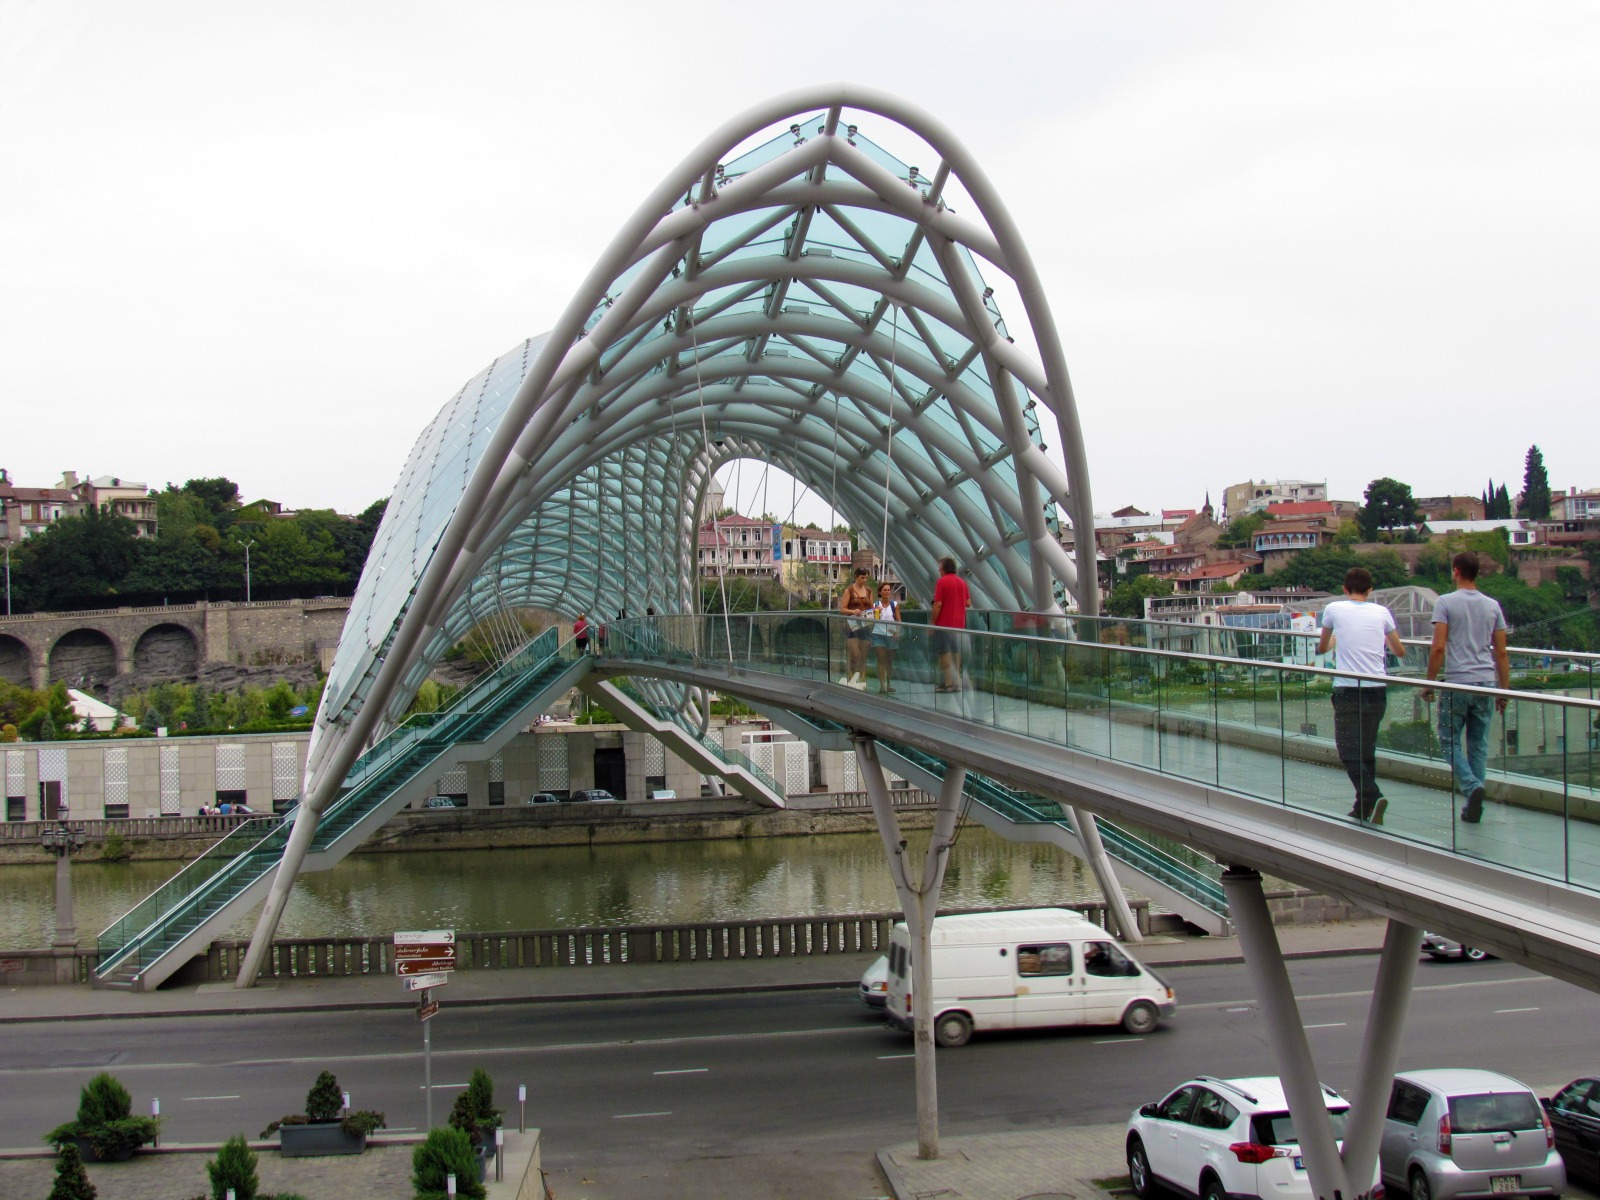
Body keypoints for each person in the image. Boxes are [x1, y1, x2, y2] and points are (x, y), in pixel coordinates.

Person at [1423, 551, 1510, 824]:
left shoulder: (1445, 603)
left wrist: (1428, 682)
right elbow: (1502, 653)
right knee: (1478, 744)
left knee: (1448, 739)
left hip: (1458, 681)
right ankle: (1475, 807)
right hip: (1485, 682)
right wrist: (1503, 690)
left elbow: (1438, 647)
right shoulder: (1493, 606)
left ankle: (1472, 788)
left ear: (1456, 571)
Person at [1317, 567, 1406, 824]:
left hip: (1347, 689)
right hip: (1377, 689)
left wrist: (1335, 641)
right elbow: (1399, 651)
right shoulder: (1382, 612)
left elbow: (1323, 647)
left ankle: (1372, 794)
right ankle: (1363, 807)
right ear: (1370, 590)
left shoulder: (1334, 609)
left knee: (1347, 750)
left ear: (1345, 589)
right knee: (1367, 751)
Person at [931, 556, 970, 692]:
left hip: (944, 625)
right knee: (956, 653)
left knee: (944, 654)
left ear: (944, 569)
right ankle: (957, 683)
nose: (939, 571)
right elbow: (968, 603)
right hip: (959, 625)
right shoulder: (962, 583)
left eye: (940, 569)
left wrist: (932, 623)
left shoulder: (942, 582)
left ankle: (948, 684)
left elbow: (937, 605)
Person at [838, 567, 874, 687]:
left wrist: (873, 613)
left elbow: (871, 609)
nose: (864, 580)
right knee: (855, 655)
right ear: (856, 577)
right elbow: (842, 609)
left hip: (865, 626)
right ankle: (851, 679)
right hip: (852, 626)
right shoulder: (849, 590)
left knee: (863, 656)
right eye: (862, 577)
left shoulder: (868, 591)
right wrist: (853, 611)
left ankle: (862, 681)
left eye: (866, 578)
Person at [869, 582, 902, 693]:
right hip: (878, 634)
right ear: (880, 592)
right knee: (881, 659)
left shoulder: (894, 605)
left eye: (888, 590)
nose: (887, 592)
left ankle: (888, 684)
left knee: (889, 661)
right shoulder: (876, 605)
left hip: (891, 635)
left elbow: (898, 620)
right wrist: (876, 612)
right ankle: (882, 685)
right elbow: (873, 620)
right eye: (885, 590)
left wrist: (897, 632)